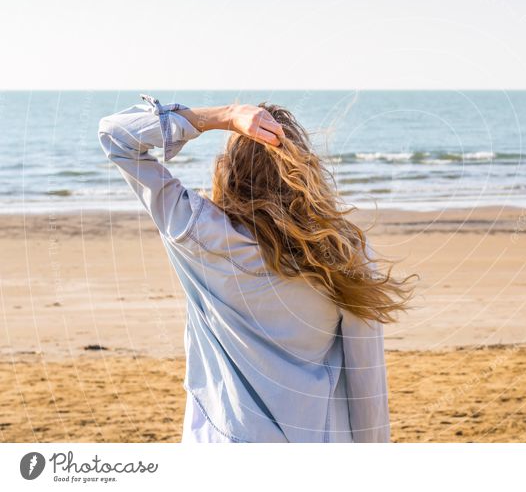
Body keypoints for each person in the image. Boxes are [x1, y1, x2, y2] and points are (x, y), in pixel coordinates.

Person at [98, 94, 415, 443]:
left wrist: (225, 117)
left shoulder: (200, 233)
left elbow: (116, 135)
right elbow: (366, 385)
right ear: (304, 167)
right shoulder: (341, 251)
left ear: (228, 167)